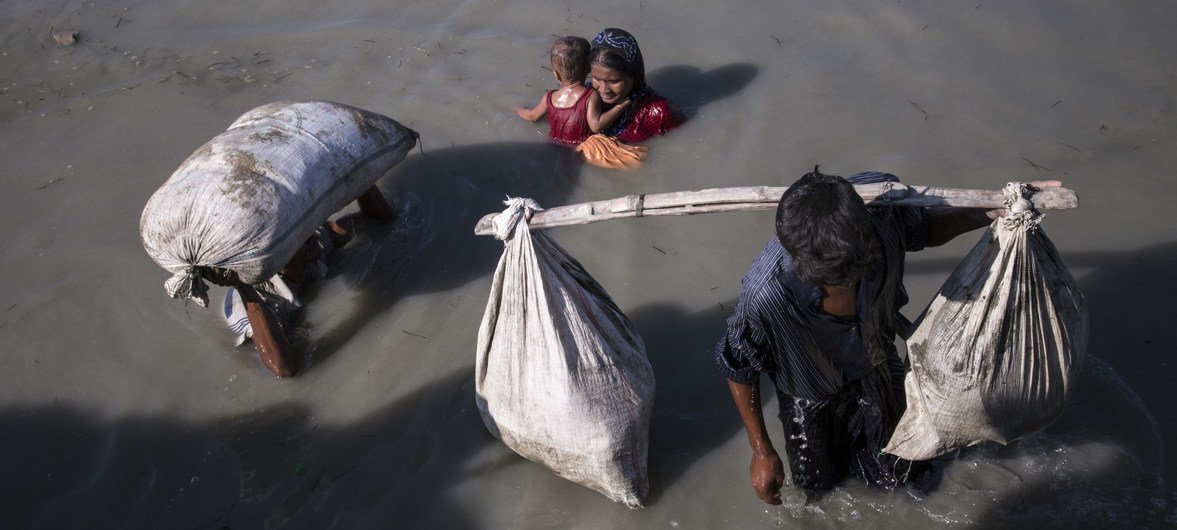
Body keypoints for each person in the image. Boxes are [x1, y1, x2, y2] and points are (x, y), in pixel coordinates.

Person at [716, 168, 1059, 503]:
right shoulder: (765, 296)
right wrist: (761, 450)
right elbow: (739, 368)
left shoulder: (881, 216)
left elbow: (926, 229)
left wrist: (1000, 209)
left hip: (877, 365)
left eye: (854, 269)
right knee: (820, 492)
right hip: (811, 393)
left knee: (910, 474)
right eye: (834, 277)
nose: (847, 283)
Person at [205, 185, 395, 378]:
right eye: (300, 237)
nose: (311, 234)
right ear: (277, 259)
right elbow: (284, 369)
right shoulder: (253, 300)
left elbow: (379, 218)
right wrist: (244, 288)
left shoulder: (312, 243)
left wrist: (362, 178)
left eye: (305, 229)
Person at [515, 36, 632, 147]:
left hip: (552, 144)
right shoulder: (590, 95)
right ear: (588, 68)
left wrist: (518, 110)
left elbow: (533, 116)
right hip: (579, 147)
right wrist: (619, 107)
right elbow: (596, 126)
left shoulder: (549, 97)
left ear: (556, 75)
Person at [586, 28, 683, 144]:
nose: (604, 89)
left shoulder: (659, 113)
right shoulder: (584, 98)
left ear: (634, 74)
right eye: (596, 78)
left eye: (614, 81)